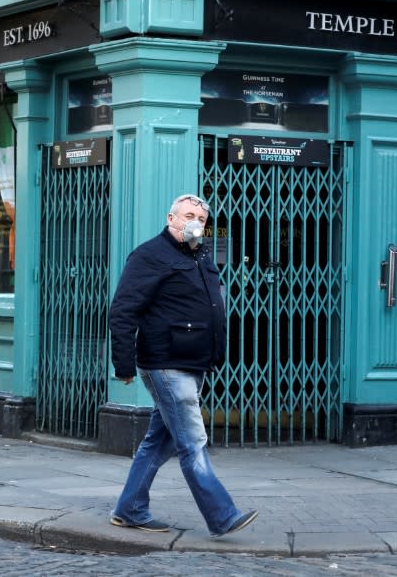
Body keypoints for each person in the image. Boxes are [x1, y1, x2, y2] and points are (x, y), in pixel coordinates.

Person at [107, 193, 258, 538]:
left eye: (201, 219)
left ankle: (129, 508)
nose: (195, 222)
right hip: (165, 363)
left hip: (193, 362)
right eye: (189, 215)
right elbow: (123, 310)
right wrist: (124, 364)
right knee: (192, 440)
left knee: (159, 441)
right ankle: (222, 515)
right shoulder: (149, 255)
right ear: (171, 217)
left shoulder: (200, 255)